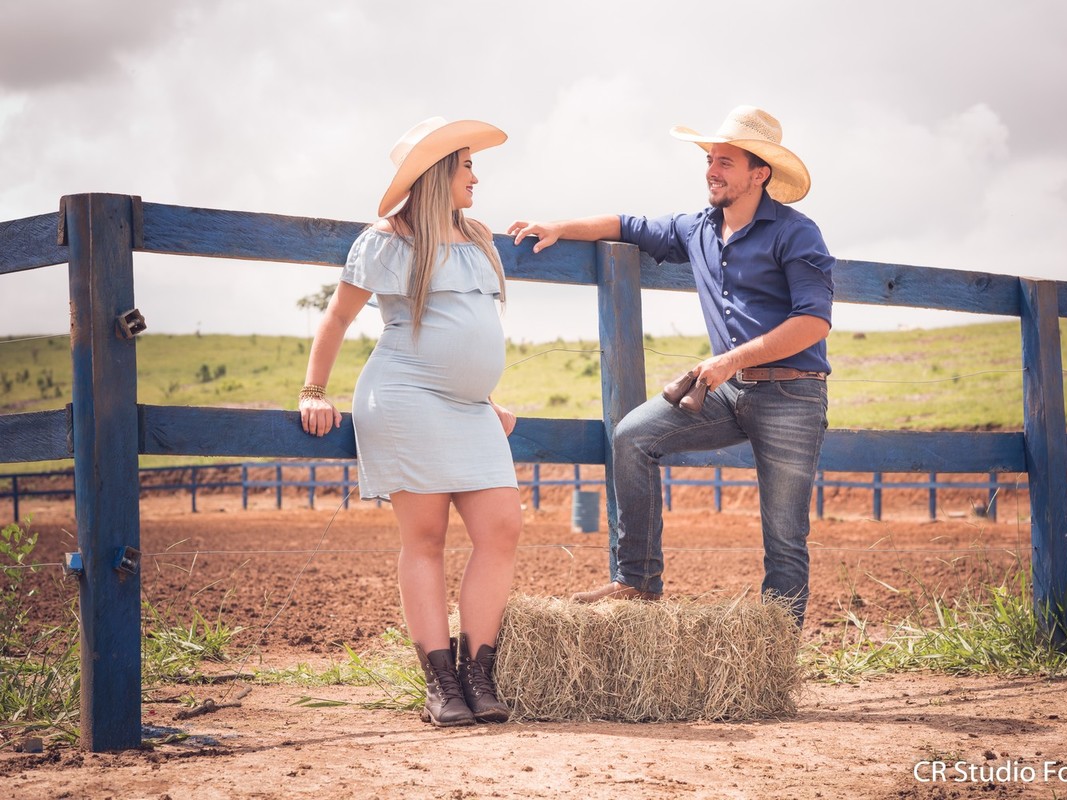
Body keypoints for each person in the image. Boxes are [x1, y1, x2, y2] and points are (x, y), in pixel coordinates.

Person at [509, 106, 834, 628]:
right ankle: (637, 581)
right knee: (632, 436)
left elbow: (814, 322)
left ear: (759, 173)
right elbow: (626, 225)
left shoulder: (797, 233)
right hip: (726, 390)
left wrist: (730, 360)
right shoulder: (697, 228)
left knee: (785, 537)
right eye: (709, 160)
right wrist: (559, 227)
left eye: (725, 162)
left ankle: (777, 657)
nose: (711, 171)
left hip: (791, 395)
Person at [300, 117, 522, 726]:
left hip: (470, 409)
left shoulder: (477, 236)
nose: (476, 177)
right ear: (438, 172)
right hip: (406, 396)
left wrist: (482, 395)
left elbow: (466, 332)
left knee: (502, 527)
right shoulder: (387, 240)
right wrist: (314, 391)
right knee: (425, 539)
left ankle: (479, 676)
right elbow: (338, 318)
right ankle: (441, 684)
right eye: (467, 165)